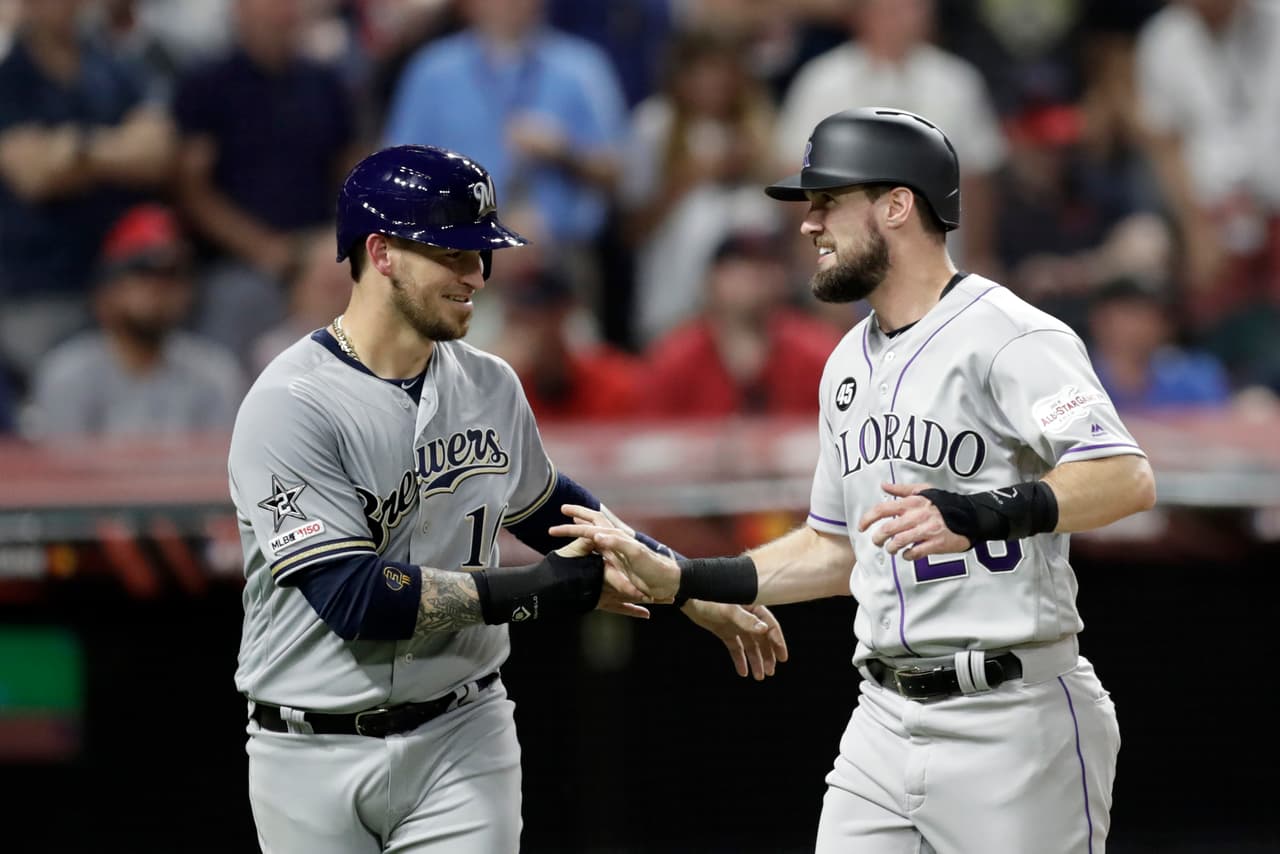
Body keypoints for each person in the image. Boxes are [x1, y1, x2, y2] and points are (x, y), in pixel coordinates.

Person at [555, 107, 1157, 853]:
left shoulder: (1013, 336)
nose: (810, 224)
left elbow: (1125, 476)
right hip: (881, 719)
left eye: (828, 200)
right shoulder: (846, 362)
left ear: (897, 205)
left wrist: (983, 510)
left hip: (1012, 713)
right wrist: (684, 578)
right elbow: (835, 550)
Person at [227, 144, 786, 853]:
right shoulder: (290, 403)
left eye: (481, 254)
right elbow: (357, 599)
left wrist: (686, 586)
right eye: (454, 253)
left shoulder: (489, 383)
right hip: (309, 748)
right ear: (381, 252)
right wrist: (544, 592)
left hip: (462, 733)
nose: (477, 275)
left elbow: (557, 512)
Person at [0, 0, 176, 372]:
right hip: (41, 285)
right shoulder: (9, 80)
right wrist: (117, 147)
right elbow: (34, 176)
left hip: (128, 277)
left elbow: (157, 153)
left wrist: (73, 150)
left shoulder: (117, 68)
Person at [26, 203, 245, 438]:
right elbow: (61, 469)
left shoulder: (215, 374)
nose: (158, 288)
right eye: (142, 273)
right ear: (106, 291)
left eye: (172, 274)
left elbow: (222, 469)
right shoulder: (67, 374)